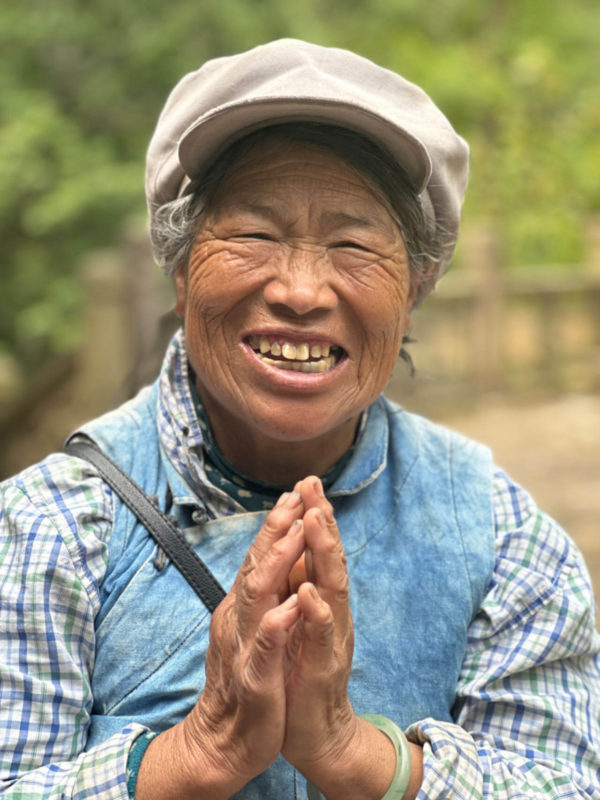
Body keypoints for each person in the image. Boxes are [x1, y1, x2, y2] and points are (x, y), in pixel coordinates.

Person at [1, 38, 599, 800]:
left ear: (412, 291)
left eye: (353, 244)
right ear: (181, 271)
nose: (303, 290)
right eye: (255, 233)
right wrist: (198, 754)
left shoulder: (502, 537)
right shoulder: (47, 529)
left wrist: (362, 759)